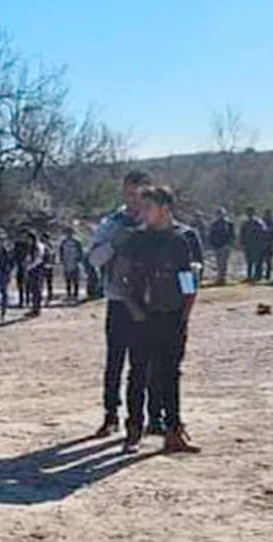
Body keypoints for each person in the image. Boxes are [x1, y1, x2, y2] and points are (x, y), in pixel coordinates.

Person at [115, 185, 201, 455]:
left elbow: (188, 282)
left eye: (148, 207)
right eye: (141, 208)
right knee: (138, 373)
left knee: (170, 374)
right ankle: (134, 431)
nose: (142, 213)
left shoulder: (180, 240)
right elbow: (120, 279)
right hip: (141, 318)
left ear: (165, 208)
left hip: (172, 317)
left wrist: (184, 314)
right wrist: (134, 309)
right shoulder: (135, 239)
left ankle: (174, 431)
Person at [87, 170, 152, 437]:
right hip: (117, 301)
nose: (134, 200)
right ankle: (110, 413)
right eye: (129, 193)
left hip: (148, 303)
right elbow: (93, 260)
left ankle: (136, 420)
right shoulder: (111, 223)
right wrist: (113, 244)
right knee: (115, 362)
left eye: (140, 194)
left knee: (141, 364)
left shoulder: (155, 222)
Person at [206, 208, 236, 285]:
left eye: (221, 213)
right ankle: (219, 278)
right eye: (218, 213)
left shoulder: (229, 223)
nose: (220, 215)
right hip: (217, 246)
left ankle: (222, 278)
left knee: (223, 263)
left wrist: (231, 243)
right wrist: (211, 244)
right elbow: (211, 234)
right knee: (218, 263)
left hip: (225, 245)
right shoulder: (214, 224)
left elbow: (232, 235)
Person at [240, 208, 266, 282]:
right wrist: (242, 242)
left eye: (250, 212)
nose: (249, 214)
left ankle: (258, 276)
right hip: (248, 244)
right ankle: (249, 276)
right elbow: (242, 233)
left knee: (258, 261)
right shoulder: (245, 223)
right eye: (248, 212)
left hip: (257, 244)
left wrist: (262, 242)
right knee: (249, 261)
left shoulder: (259, 222)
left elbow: (263, 232)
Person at [59, 227, 84, 301]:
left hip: (75, 263)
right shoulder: (63, 242)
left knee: (75, 280)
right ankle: (69, 294)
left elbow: (80, 252)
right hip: (67, 263)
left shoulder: (77, 242)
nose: (69, 234)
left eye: (70, 233)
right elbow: (61, 252)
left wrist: (79, 260)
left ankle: (75, 294)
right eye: (67, 233)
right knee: (68, 280)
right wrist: (62, 261)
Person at [261, 209, 273, 280]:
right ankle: (259, 274)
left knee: (268, 260)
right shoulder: (261, 222)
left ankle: (268, 274)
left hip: (270, 242)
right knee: (260, 259)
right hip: (261, 242)